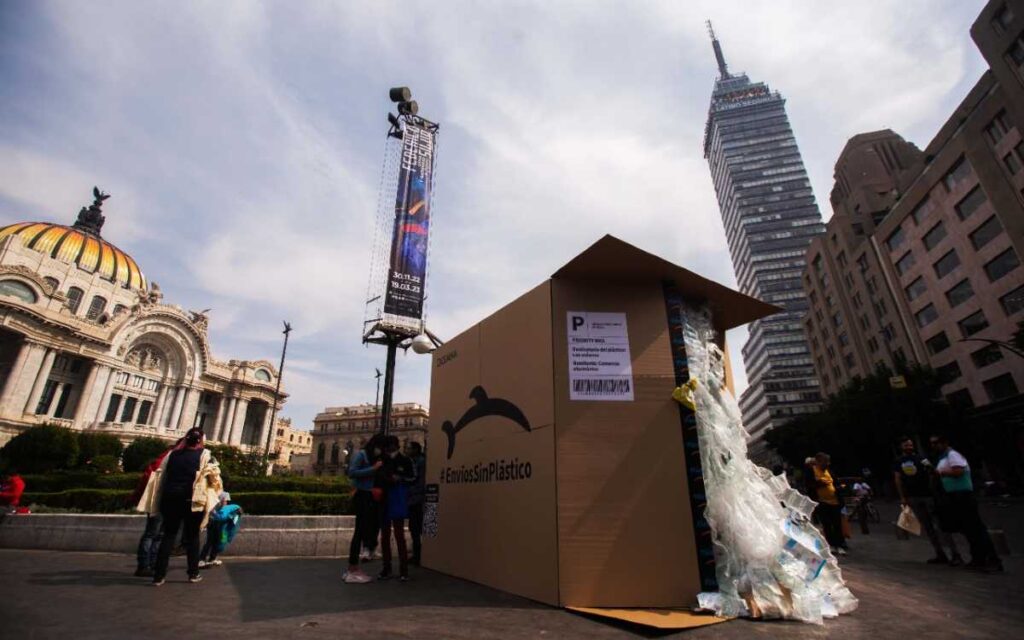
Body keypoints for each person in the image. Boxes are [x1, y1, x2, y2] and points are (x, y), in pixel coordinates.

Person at [137, 427, 222, 586]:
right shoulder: (204, 455)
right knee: (193, 537)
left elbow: (161, 476)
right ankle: (193, 573)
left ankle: (159, 576)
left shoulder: (172, 455)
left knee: (168, 536)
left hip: (169, 499)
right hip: (192, 501)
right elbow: (214, 478)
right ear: (200, 441)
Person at [929, 435, 1002, 572]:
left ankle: (992, 559)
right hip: (953, 496)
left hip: (963, 496)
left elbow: (958, 471)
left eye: (936, 443)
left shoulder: (953, 455)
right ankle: (978, 558)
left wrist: (940, 472)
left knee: (976, 528)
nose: (933, 446)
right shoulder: (943, 457)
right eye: (932, 444)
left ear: (944, 442)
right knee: (968, 529)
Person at [892, 436, 962, 565]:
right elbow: (898, 479)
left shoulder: (921, 459)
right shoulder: (898, 462)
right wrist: (902, 497)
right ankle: (939, 553)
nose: (909, 447)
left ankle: (955, 553)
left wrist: (934, 488)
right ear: (901, 447)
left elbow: (932, 473)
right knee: (927, 527)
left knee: (940, 525)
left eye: (910, 445)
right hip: (913, 496)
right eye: (906, 445)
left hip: (928, 495)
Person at [128, 446, 177, 577]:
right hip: (159, 500)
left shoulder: (166, 459)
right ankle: (144, 565)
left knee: (159, 534)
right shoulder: (168, 459)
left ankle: (153, 563)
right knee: (152, 533)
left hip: (166, 501)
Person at [343, 434, 384, 584]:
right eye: (380, 447)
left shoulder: (375, 458)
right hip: (362, 497)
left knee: (365, 530)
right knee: (359, 532)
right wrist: (373, 469)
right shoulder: (361, 455)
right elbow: (352, 473)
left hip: (371, 497)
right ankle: (352, 569)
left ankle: (352, 568)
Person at [378, 435, 416, 582]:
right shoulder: (382, 461)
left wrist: (400, 479)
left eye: (391, 445)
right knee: (385, 536)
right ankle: (386, 568)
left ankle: (403, 570)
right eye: (387, 446)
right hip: (384, 500)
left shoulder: (406, 461)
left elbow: (414, 477)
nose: (389, 448)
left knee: (399, 535)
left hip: (398, 499)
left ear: (396, 445)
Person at [811, 452, 847, 556]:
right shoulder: (812, 471)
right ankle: (831, 545)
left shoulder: (829, 471)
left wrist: (839, 488)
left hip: (835, 501)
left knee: (837, 524)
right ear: (818, 462)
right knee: (827, 524)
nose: (827, 464)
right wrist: (819, 484)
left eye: (828, 461)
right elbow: (809, 485)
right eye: (824, 461)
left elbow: (835, 483)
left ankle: (840, 545)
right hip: (822, 502)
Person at [405, 441, 426, 566]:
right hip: (417, 498)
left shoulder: (420, 462)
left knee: (416, 528)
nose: (407, 450)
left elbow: (418, 480)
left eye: (409, 448)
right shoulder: (418, 461)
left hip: (417, 499)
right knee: (416, 529)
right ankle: (417, 555)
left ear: (416, 450)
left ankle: (418, 556)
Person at [199, 489, 231, 568]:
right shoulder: (224, 494)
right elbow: (224, 507)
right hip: (216, 521)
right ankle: (205, 559)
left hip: (213, 520)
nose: (226, 502)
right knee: (214, 541)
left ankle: (207, 559)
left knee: (212, 541)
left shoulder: (211, 493)